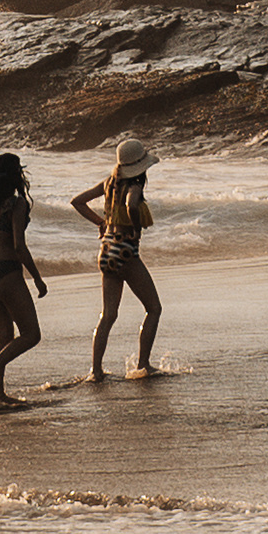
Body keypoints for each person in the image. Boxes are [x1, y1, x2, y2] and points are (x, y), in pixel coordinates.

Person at [71, 141, 162, 374]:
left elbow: (77, 201)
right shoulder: (134, 185)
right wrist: (136, 227)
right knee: (153, 308)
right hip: (126, 252)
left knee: (108, 315)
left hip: (106, 250)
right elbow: (132, 204)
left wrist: (101, 222)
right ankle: (143, 365)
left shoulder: (109, 183)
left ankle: (96, 371)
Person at [0, 154, 48, 403]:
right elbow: (19, 246)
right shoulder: (17, 204)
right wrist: (37, 278)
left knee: (3, 337)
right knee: (31, 334)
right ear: (18, 174)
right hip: (6, 271)